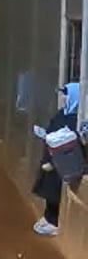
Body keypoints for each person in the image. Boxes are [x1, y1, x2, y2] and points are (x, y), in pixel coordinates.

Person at [32, 83, 81, 237]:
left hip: (62, 163)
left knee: (54, 188)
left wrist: (54, 164)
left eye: (67, 94)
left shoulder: (76, 120)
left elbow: (71, 145)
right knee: (47, 187)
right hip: (51, 156)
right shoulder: (62, 114)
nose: (64, 97)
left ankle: (53, 222)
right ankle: (48, 217)